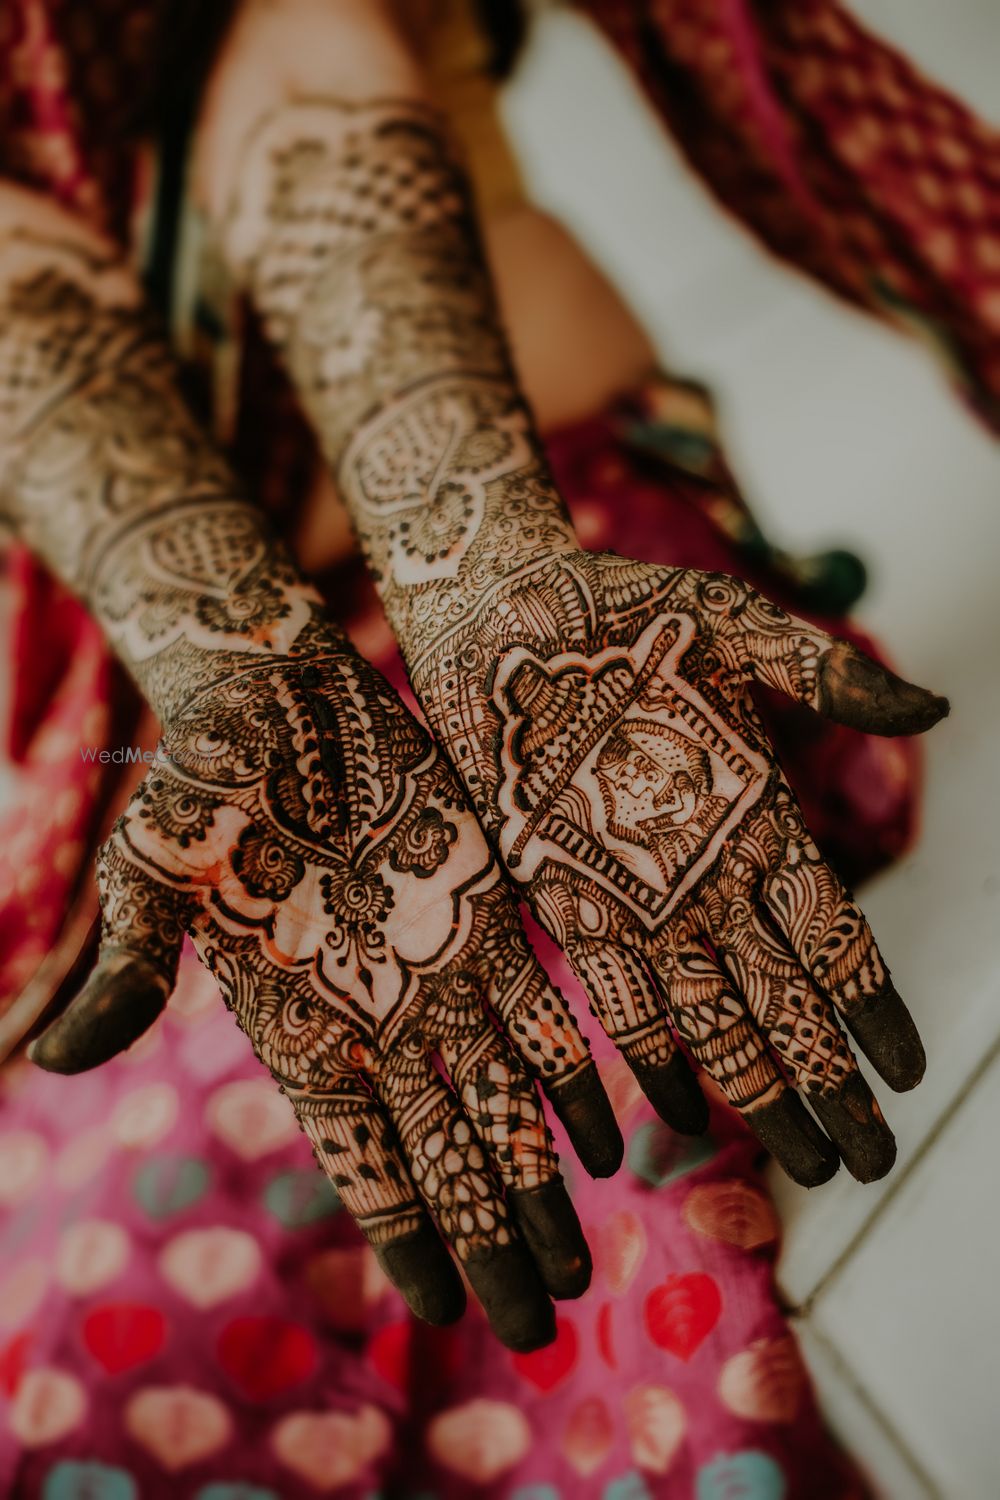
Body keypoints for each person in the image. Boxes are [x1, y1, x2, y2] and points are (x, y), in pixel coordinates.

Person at [0, 0, 989, 1494]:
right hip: (154, 758)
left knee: (546, 1058)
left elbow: (308, 55)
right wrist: (230, 670)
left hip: (549, 583)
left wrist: (487, 587)